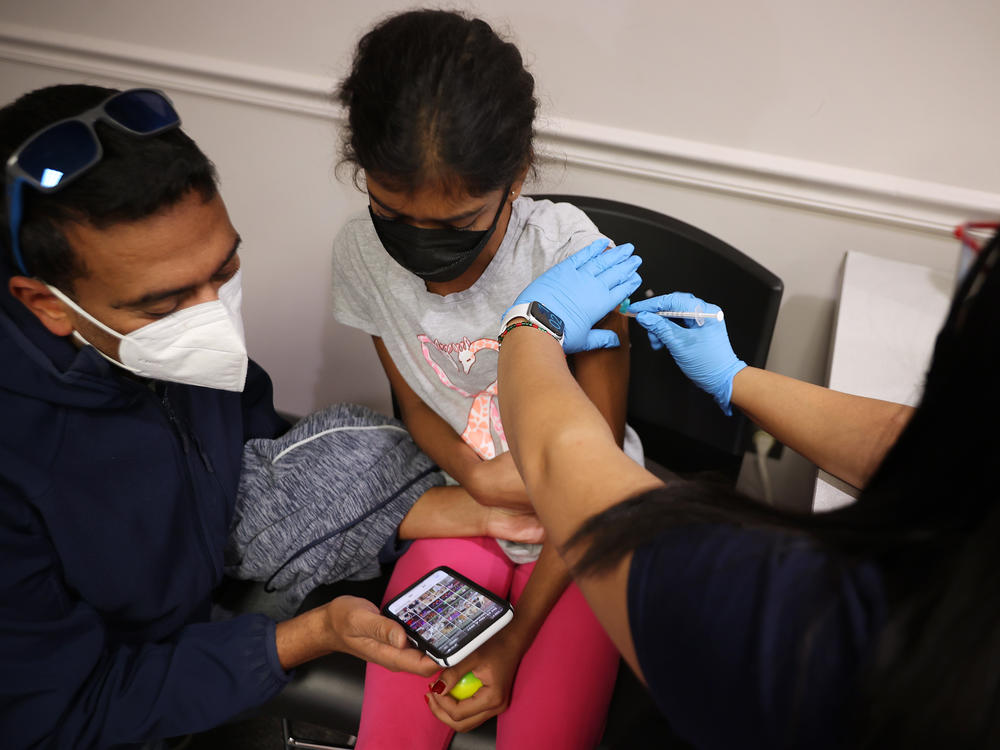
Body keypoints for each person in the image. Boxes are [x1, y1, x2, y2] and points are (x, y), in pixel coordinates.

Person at [0, 83, 525, 749]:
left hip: (208, 621)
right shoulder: (19, 463)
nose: (211, 316)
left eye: (223, 270)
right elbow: (64, 714)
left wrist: (429, 505)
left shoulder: (176, 360)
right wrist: (308, 636)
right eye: (165, 306)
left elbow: (250, 468)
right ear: (45, 304)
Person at [488, 231, 1000, 749]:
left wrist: (529, 327)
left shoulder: (811, 631)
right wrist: (735, 377)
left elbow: (560, 465)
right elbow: (933, 447)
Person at [330, 10, 641, 747]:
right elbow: (414, 396)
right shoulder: (360, 255)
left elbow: (591, 470)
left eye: (463, 221)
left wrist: (512, 642)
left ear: (518, 174)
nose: (422, 251)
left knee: (542, 732)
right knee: (402, 716)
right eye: (391, 213)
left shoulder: (575, 258)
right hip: (469, 503)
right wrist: (479, 476)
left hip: (581, 527)